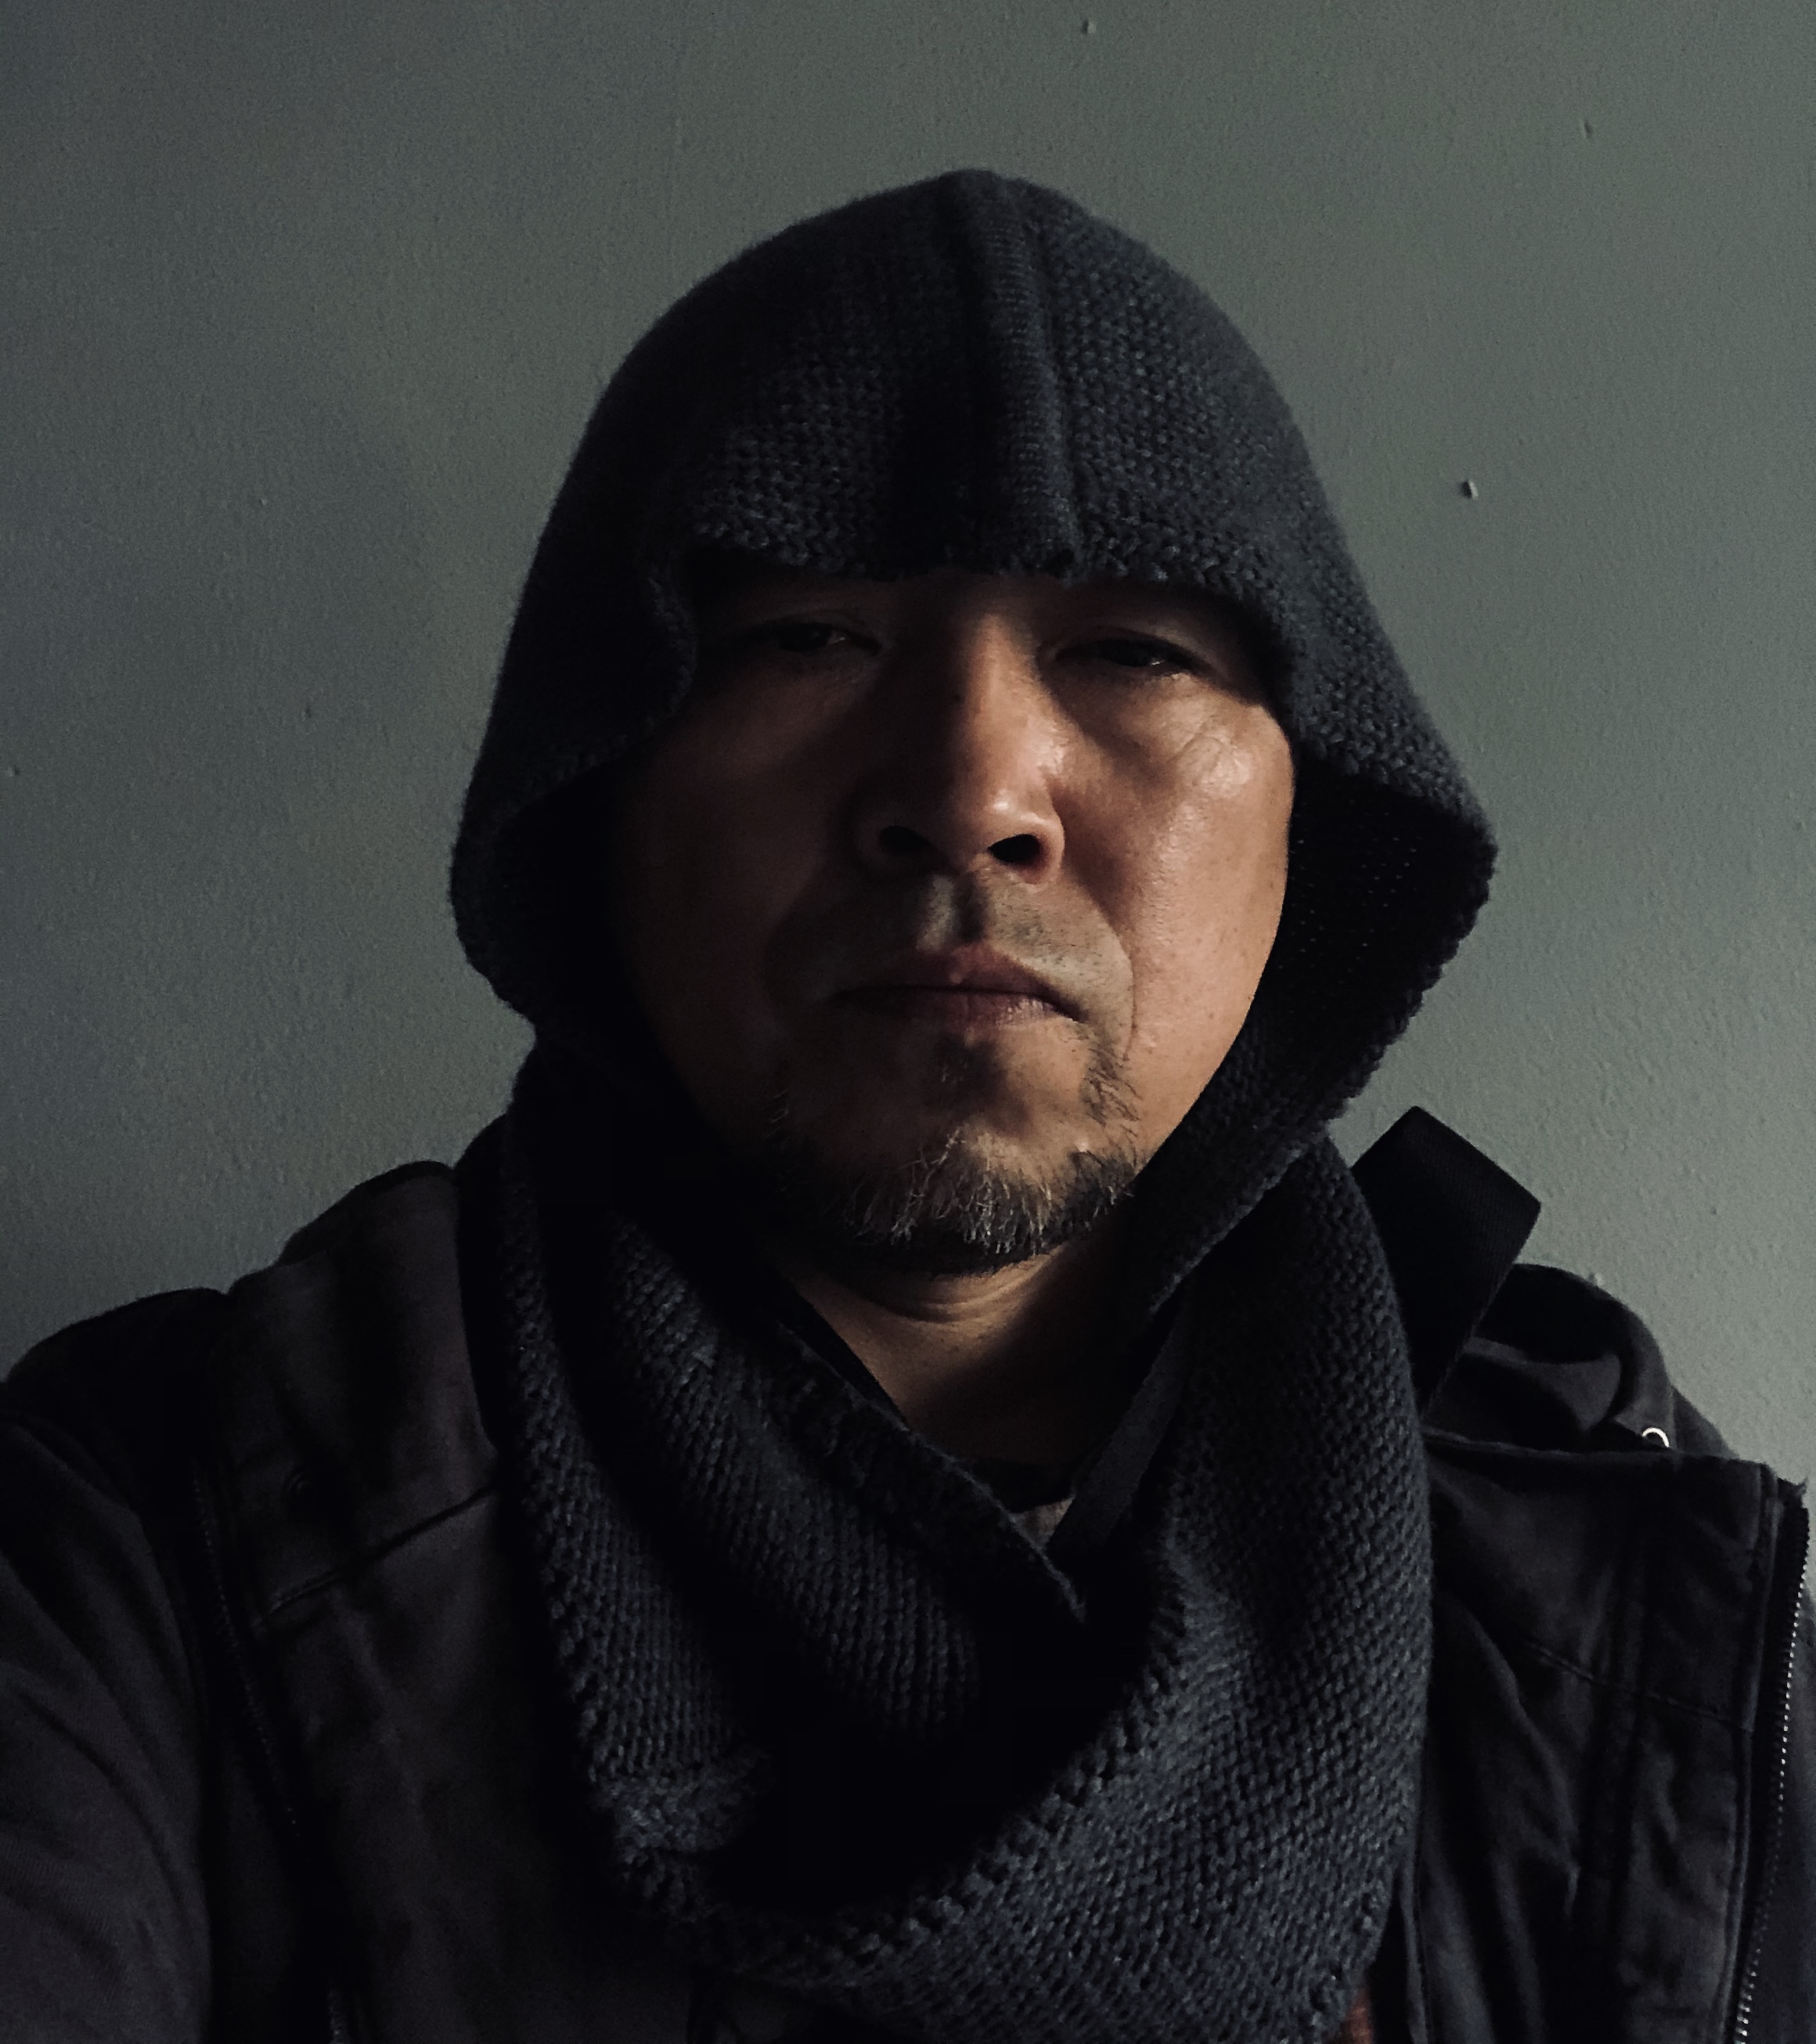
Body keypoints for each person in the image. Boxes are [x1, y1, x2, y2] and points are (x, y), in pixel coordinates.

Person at [0, 171, 1808, 2044]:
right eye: (804, 635)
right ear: (598, 788)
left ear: (1306, 826)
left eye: (1132, 651)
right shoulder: (156, 1534)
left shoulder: (1627, 1571)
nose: (969, 789)